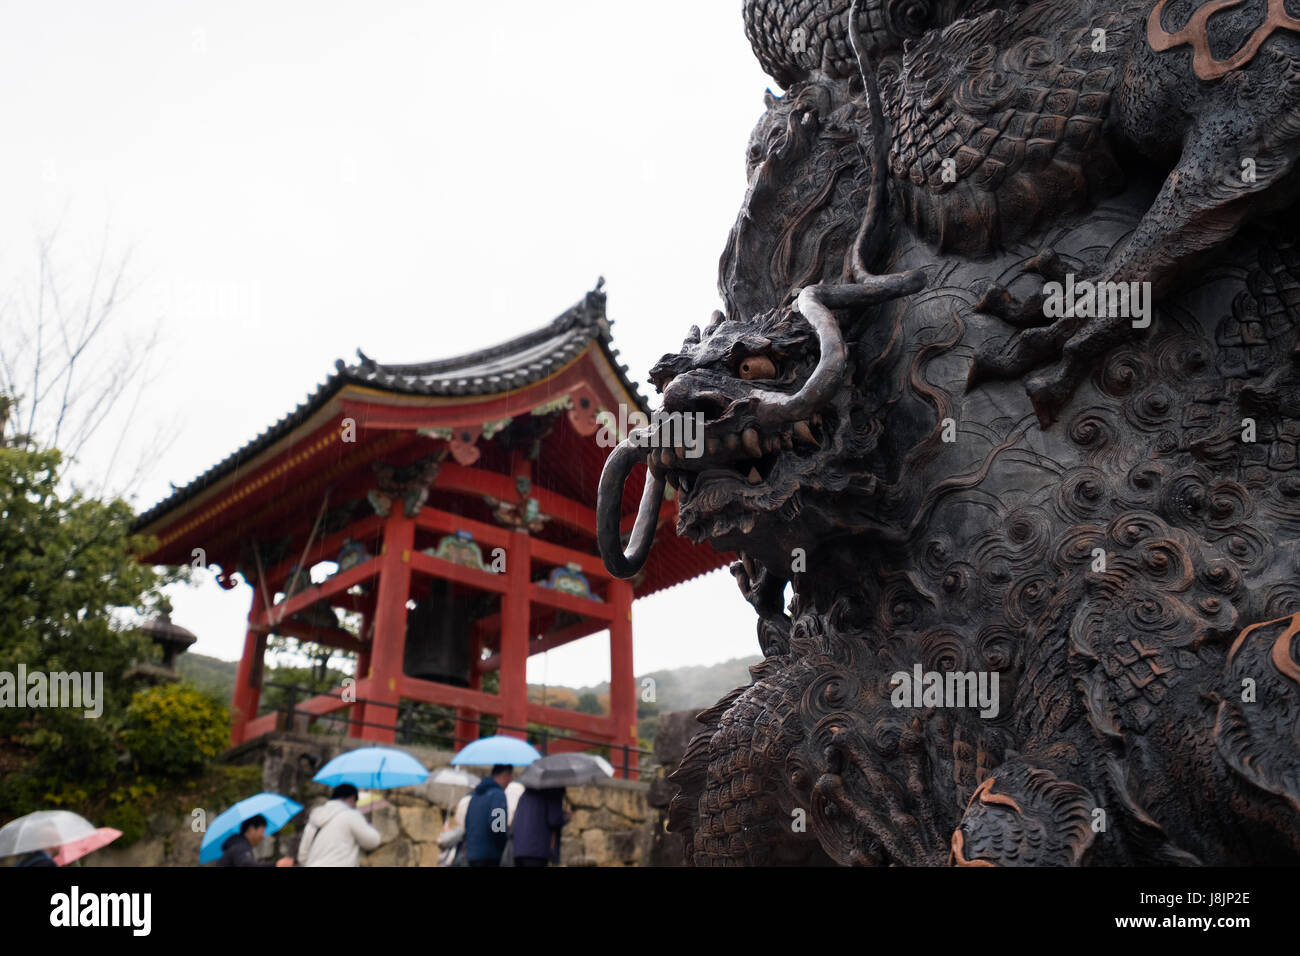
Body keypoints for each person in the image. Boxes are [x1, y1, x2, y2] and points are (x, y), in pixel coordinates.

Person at [297, 783, 381, 867]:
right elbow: (372, 841)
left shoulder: (315, 818)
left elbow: (302, 856)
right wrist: (370, 828)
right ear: (352, 798)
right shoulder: (350, 815)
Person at [464, 764, 512, 867]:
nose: (510, 781)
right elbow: (498, 826)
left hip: (472, 853)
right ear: (505, 775)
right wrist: (502, 846)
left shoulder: (476, 795)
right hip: (490, 855)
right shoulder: (498, 795)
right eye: (510, 776)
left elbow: (467, 822)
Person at [511, 787, 569, 867]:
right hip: (537, 851)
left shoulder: (525, 794)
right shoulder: (552, 793)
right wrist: (565, 817)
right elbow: (554, 820)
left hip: (519, 851)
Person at [215, 814, 295, 867]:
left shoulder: (238, 845)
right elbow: (247, 865)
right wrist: (276, 864)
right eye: (262, 831)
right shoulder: (240, 847)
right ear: (251, 829)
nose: (263, 836)